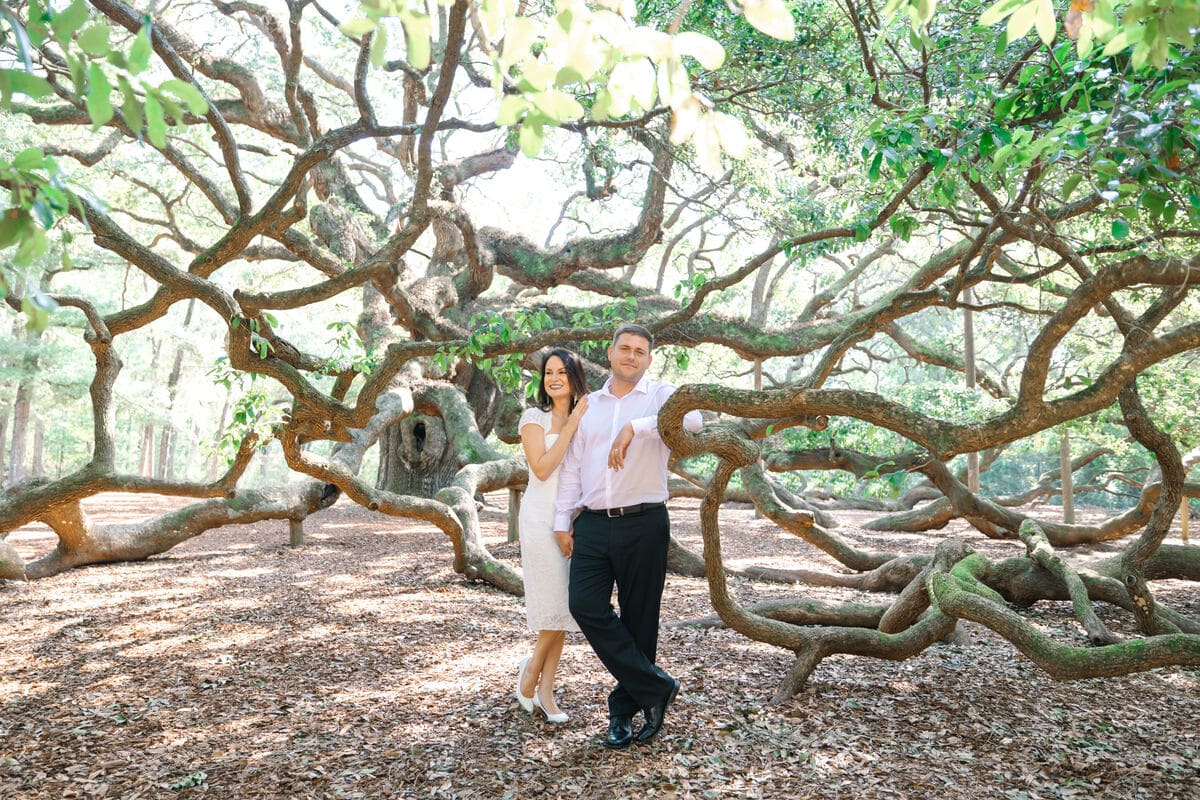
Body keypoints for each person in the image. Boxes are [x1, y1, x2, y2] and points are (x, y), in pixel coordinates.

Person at [553, 324, 703, 748]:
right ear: (611, 352)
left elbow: (693, 421)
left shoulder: (660, 396)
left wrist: (637, 428)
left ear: (649, 359)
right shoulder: (589, 405)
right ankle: (656, 687)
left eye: (640, 350)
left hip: (645, 522)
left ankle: (623, 711)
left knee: (641, 621)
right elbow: (573, 466)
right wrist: (563, 521)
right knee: (584, 604)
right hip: (594, 523)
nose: (632, 356)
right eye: (625, 348)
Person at [515, 348, 589, 723]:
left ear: (575, 377)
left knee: (565, 606)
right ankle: (534, 679)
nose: (554, 378)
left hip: (575, 522)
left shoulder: (586, 417)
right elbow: (542, 469)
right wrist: (570, 425)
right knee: (554, 605)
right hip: (540, 518)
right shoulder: (534, 417)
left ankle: (543, 685)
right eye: (548, 373)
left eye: (562, 372)